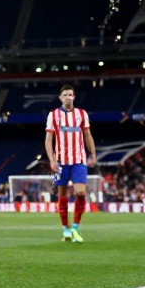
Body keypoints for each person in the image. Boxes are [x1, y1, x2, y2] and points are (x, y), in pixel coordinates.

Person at [45, 84, 96, 243]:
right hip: (61, 162)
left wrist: (93, 154)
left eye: (70, 95)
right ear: (60, 98)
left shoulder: (82, 114)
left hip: (79, 160)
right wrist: (52, 160)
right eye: (65, 95)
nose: (68, 97)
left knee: (80, 193)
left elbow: (87, 135)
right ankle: (65, 228)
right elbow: (48, 140)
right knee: (62, 195)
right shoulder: (53, 115)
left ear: (74, 97)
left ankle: (75, 226)